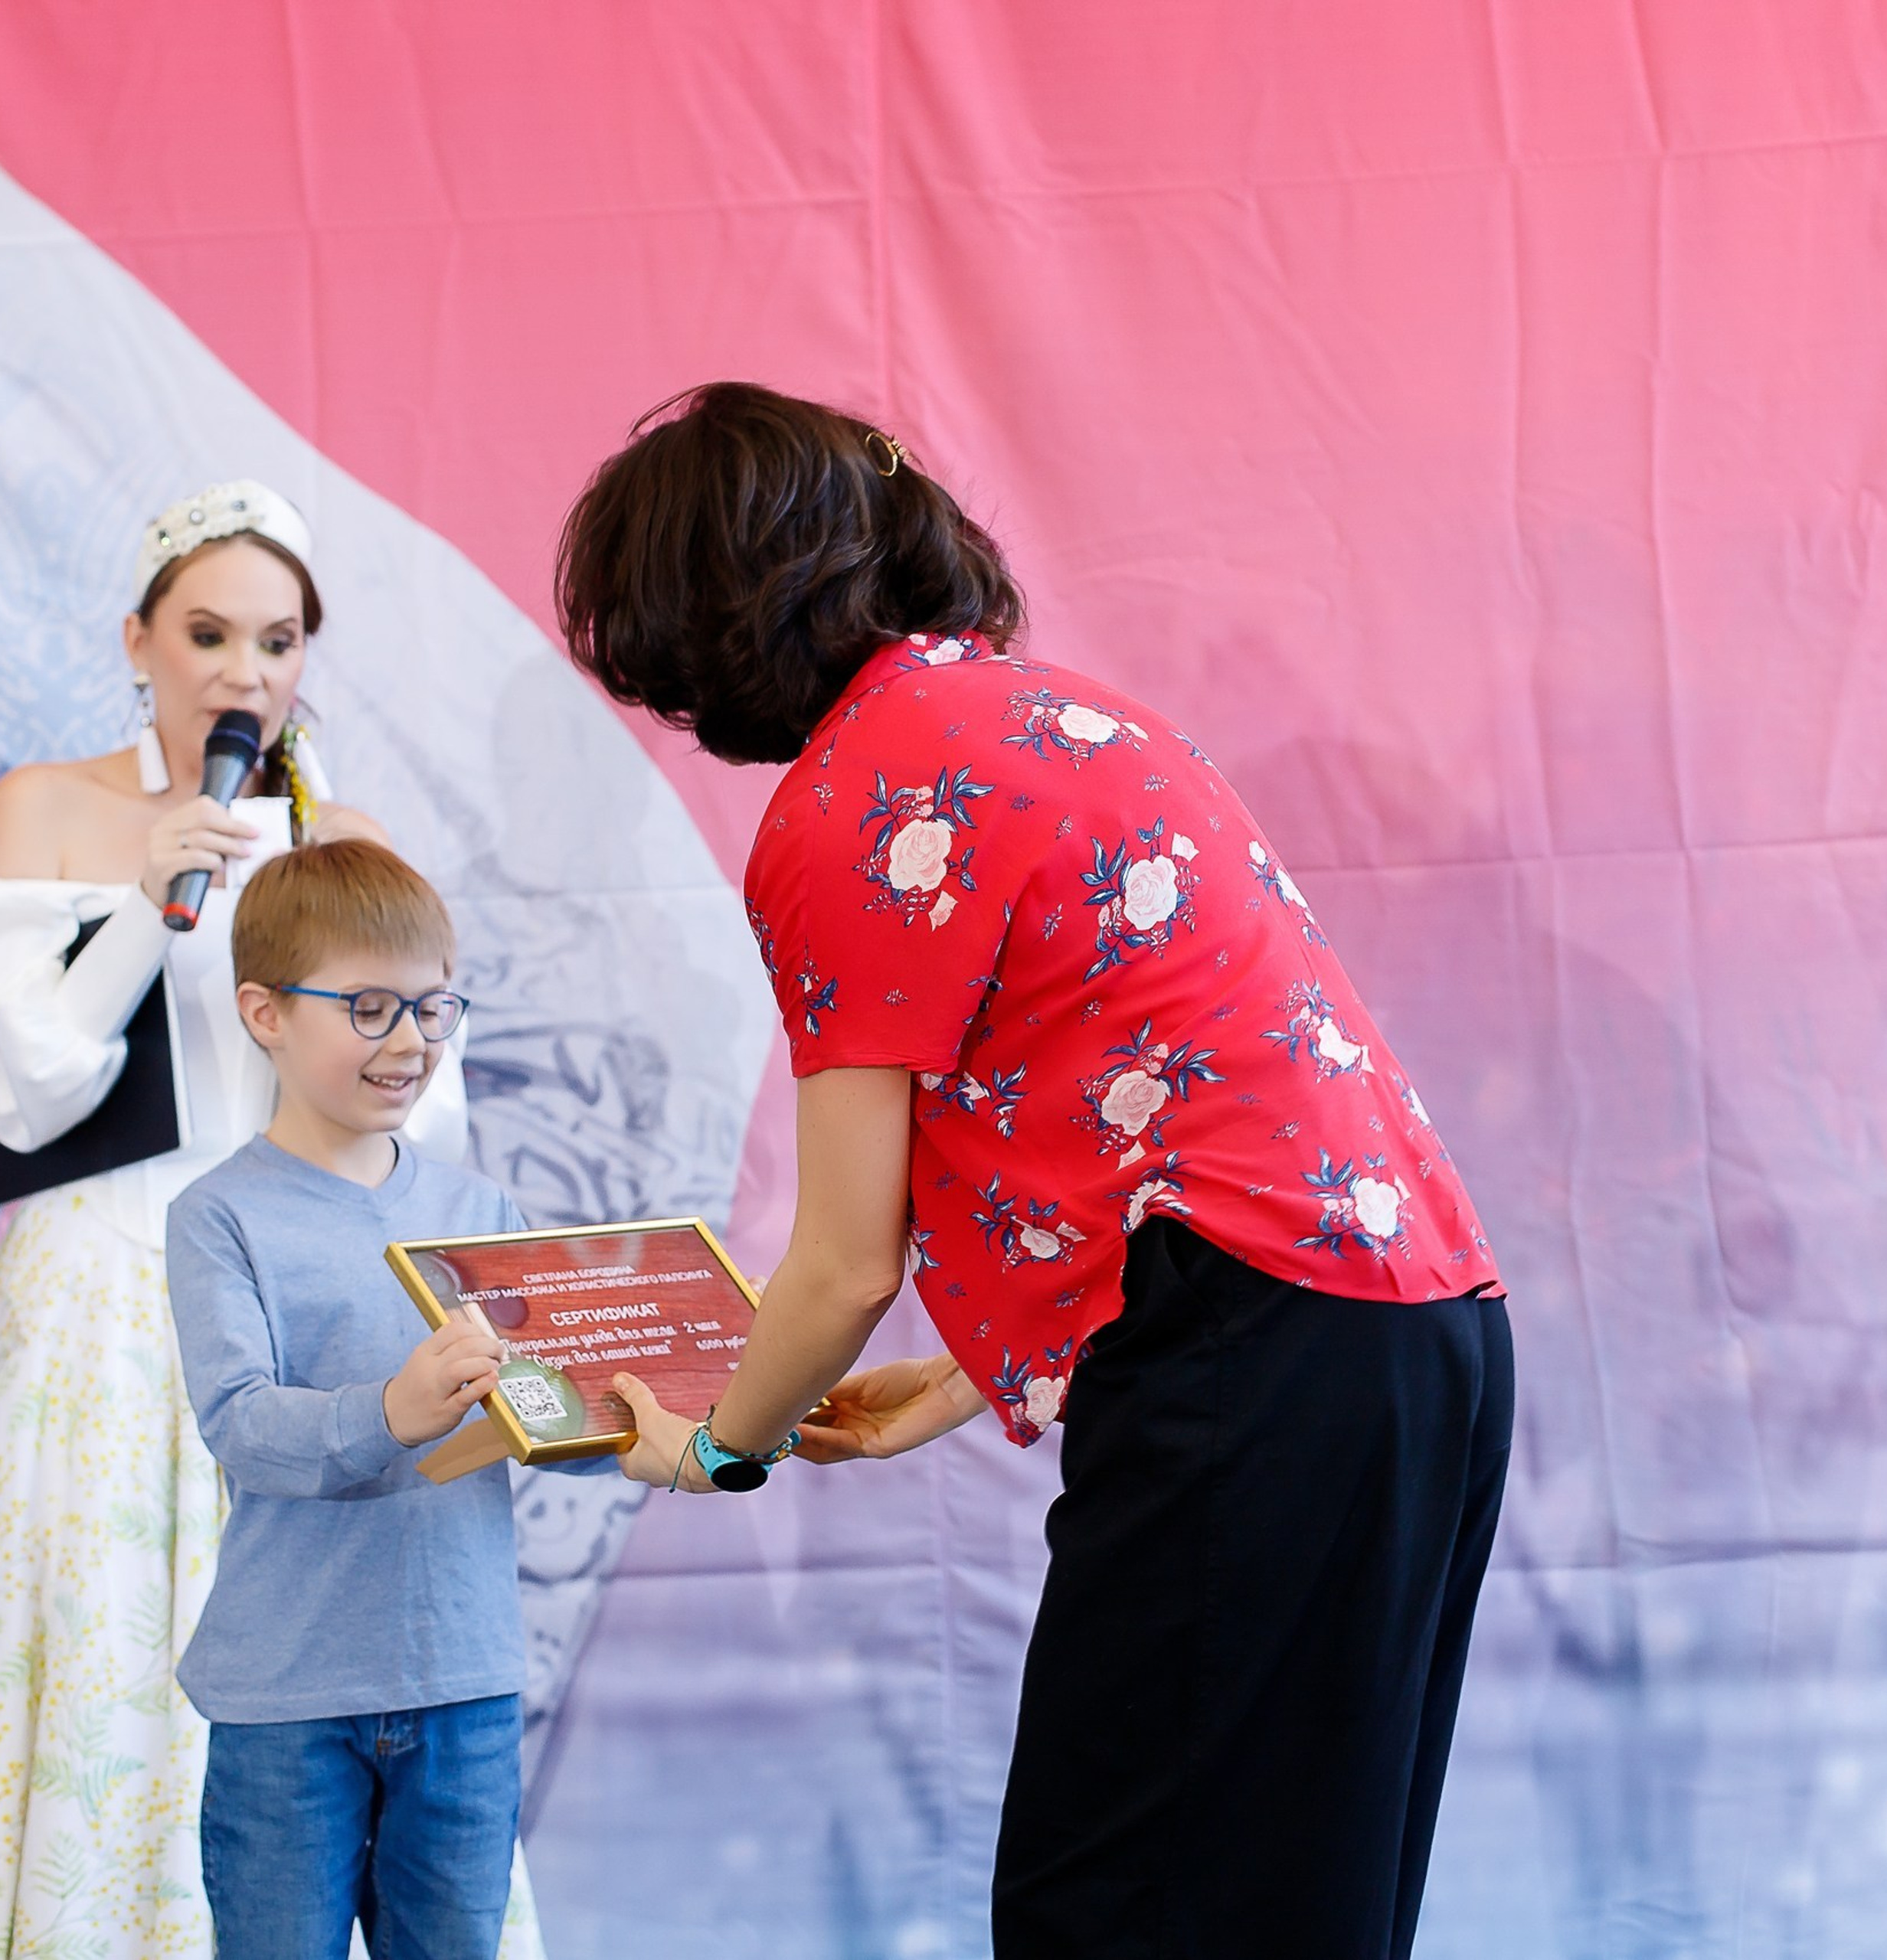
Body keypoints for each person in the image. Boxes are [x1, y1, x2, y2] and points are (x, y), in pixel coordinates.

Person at [554, 383, 1516, 1960]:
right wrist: (956, 1380)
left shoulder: (851, 800)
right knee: (1302, 1902)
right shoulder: (1067, 718)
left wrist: (717, 1447)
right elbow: (1161, 1118)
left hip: (1256, 1359)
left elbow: (842, 1264)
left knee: (1113, 1911)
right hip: (1421, 1335)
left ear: (708, 615)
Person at [0, 485, 544, 1958]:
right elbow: (29, 1093)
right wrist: (149, 896)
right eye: (208, 634)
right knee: (110, 1638)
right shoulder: (46, 806)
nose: (245, 671)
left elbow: (426, 1115)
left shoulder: (342, 839)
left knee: (343, 1618)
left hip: (316, 1283)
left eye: (279, 639)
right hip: (103, 1289)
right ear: (138, 641)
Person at [166, 838, 613, 1960]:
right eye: (370, 1008)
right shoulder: (219, 1216)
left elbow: (557, 1413)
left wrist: (695, 1408)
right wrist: (391, 1411)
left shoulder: (481, 1210)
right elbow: (240, 1425)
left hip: (464, 1683)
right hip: (285, 1700)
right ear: (264, 1014)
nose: (411, 1040)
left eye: (432, 1006)